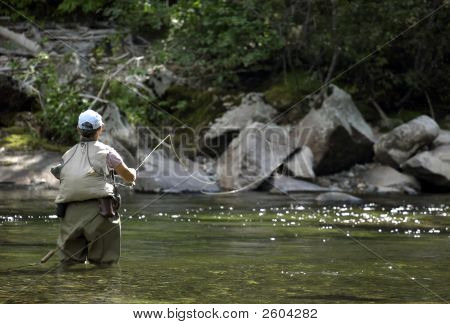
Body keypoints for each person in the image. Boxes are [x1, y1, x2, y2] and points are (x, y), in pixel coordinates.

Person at [53, 109, 136, 266]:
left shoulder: (67, 155)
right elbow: (128, 177)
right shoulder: (108, 153)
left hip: (69, 216)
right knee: (104, 265)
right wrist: (133, 174)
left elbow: (61, 174)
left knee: (69, 265)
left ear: (78, 130)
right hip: (101, 213)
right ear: (101, 129)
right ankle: (98, 289)